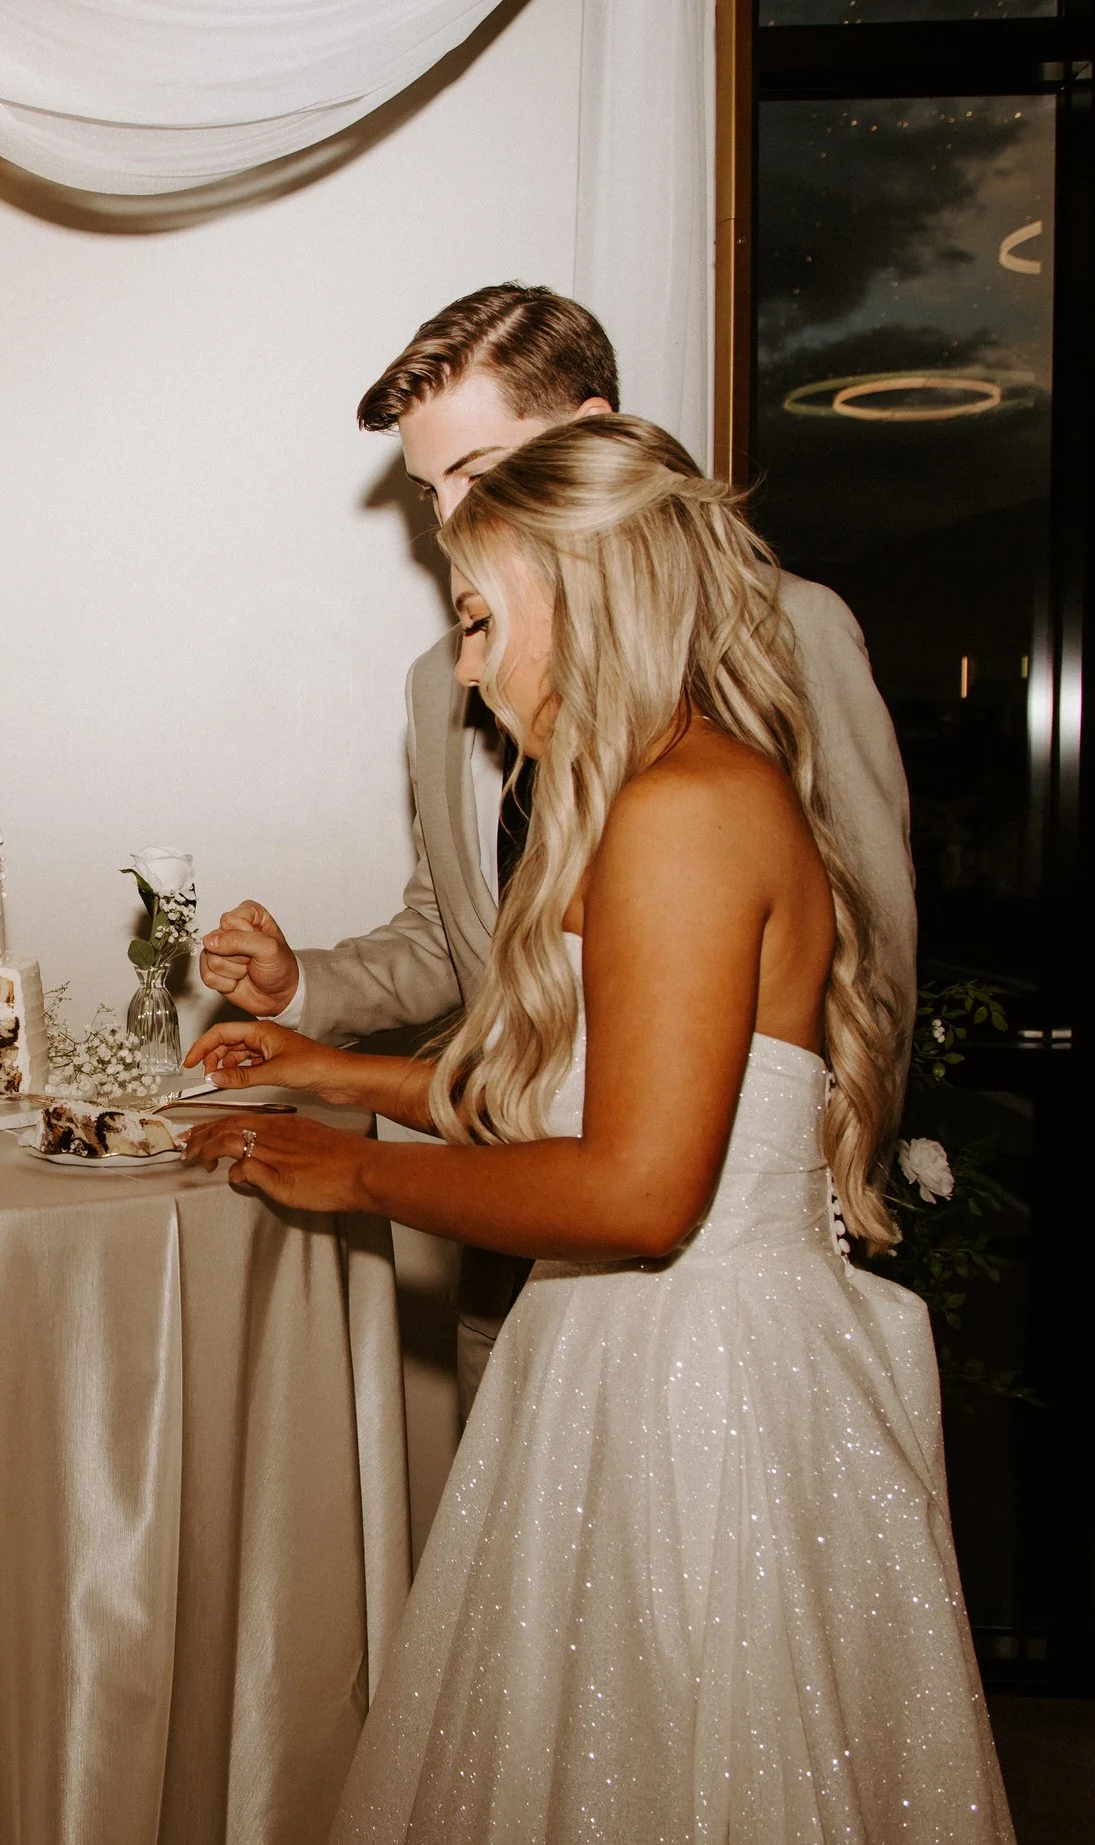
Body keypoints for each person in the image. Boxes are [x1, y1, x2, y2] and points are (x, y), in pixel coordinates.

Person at [178, 415, 1012, 1842]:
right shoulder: (649, 792)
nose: (467, 662)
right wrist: (332, 1069)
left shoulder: (685, 812)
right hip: (626, 1355)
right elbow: (567, 1096)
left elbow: (635, 1190)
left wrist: (362, 1176)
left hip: (700, 1390)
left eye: (482, 617)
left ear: (591, 596)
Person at [199, 285, 914, 1416]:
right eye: (431, 492)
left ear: (590, 437)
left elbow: (863, 960)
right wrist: (308, 997)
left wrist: (802, 1205)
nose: (448, 521)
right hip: (519, 1245)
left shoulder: (785, 642)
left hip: (714, 1283)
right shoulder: (447, 682)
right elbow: (461, 938)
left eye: (476, 475)